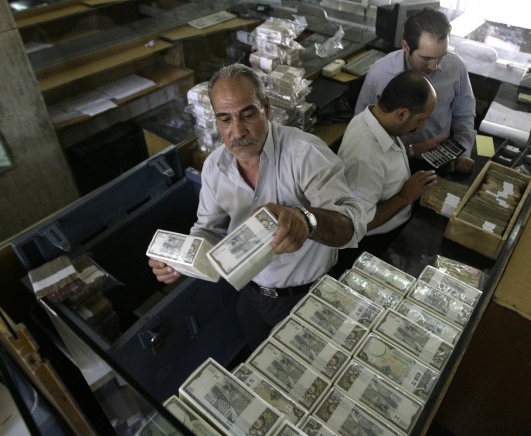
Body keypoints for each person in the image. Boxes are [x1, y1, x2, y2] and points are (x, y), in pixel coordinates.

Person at [148, 63, 367, 350]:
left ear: (266, 107)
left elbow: (352, 225)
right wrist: (179, 259)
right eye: (225, 119)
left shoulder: (305, 154)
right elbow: (209, 229)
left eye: (247, 114)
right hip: (251, 296)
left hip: (307, 295)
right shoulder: (215, 166)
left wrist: (307, 220)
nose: (237, 131)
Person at [354, 7, 476, 174]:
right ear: (406, 46)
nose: (434, 66)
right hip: (389, 163)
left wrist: (463, 151)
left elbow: (464, 116)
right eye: (426, 58)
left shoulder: (455, 66)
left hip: (442, 160)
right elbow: (362, 129)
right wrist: (411, 150)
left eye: (441, 56)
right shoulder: (380, 74)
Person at [336, 70, 438, 268]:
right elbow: (361, 222)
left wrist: (412, 150)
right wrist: (405, 197)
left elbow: (384, 161)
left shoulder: (373, 118)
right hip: (375, 245)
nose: (423, 126)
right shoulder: (363, 156)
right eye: (421, 119)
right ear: (401, 114)